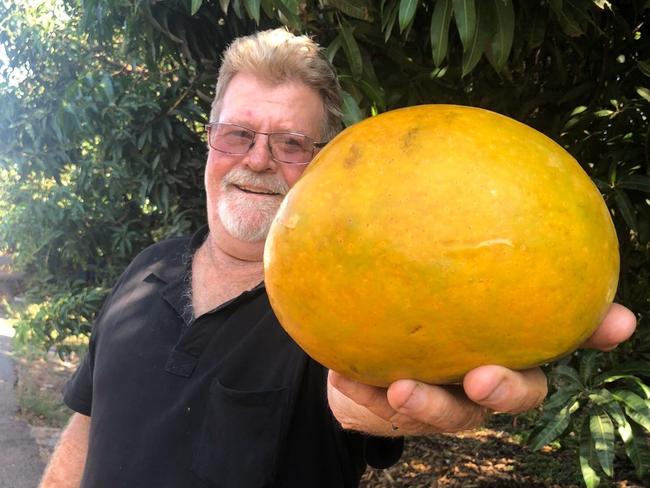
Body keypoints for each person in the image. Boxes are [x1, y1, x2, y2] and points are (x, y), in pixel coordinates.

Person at [40, 28, 637, 488]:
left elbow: (361, 405)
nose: (257, 159)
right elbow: (89, 425)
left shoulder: (340, 308)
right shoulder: (147, 269)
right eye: (237, 134)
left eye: (292, 143)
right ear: (211, 140)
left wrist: (391, 401)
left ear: (328, 161)